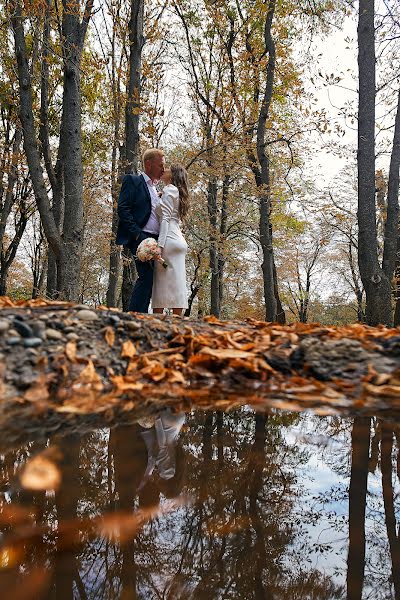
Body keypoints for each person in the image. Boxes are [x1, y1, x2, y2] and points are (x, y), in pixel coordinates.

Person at [116, 148, 165, 312]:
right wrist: (137, 234)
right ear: (149, 164)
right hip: (140, 237)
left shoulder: (155, 189)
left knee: (153, 278)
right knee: (146, 275)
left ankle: (142, 314)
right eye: (160, 166)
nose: (163, 170)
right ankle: (135, 315)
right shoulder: (133, 181)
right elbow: (123, 208)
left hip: (156, 238)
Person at [152, 165, 189, 316]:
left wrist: (160, 245)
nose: (163, 170)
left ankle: (157, 322)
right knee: (177, 283)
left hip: (168, 240)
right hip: (178, 240)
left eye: (167, 169)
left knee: (160, 284)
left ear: (172, 175)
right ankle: (177, 322)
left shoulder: (169, 189)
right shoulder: (177, 192)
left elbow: (165, 218)